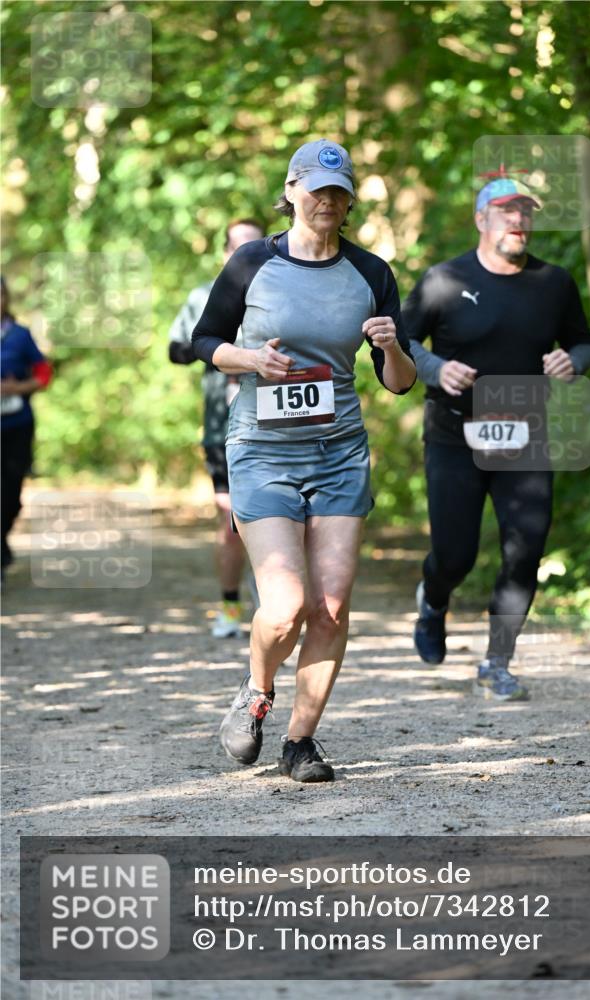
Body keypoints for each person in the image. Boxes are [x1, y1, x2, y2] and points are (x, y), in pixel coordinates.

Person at [191, 139, 416, 782]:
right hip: (261, 449)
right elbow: (205, 340)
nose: (327, 201)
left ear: (350, 202)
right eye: (317, 190)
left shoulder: (371, 274)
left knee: (332, 606)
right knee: (286, 604)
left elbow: (399, 382)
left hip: (339, 451)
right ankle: (257, 689)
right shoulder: (251, 262)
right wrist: (249, 359)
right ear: (291, 191)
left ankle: (300, 742)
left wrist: (391, 346)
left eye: (339, 192)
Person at [403, 171, 590, 700]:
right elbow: (400, 342)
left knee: (524, 550)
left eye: (525, 212)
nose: (518, 220)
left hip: (525, 437)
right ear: (480, 220)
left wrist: (573, 362)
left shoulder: (553, 282)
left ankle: (497, 663)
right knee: (455, 555)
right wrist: (435, 368)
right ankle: (433, 601)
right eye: (507, 211)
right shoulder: (444, 279)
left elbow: (583, 342)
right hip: (454, 437)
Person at [168, 219, 264, 637]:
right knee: (231, 522)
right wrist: (219, 349)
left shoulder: (286, 291)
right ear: (225, 252)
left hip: (281, 426)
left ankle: (274, 604)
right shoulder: (203, 296)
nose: (245, 254)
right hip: (221, 427)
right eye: (237, 247)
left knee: (283, 521)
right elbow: (175, 350)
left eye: (254, 245)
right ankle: (229, 608)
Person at [1, 275, 53, 578]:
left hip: (16, 424)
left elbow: (44, 374)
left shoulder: (20, 336)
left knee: (10, 493)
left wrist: (17, 388)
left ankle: (2, 535)